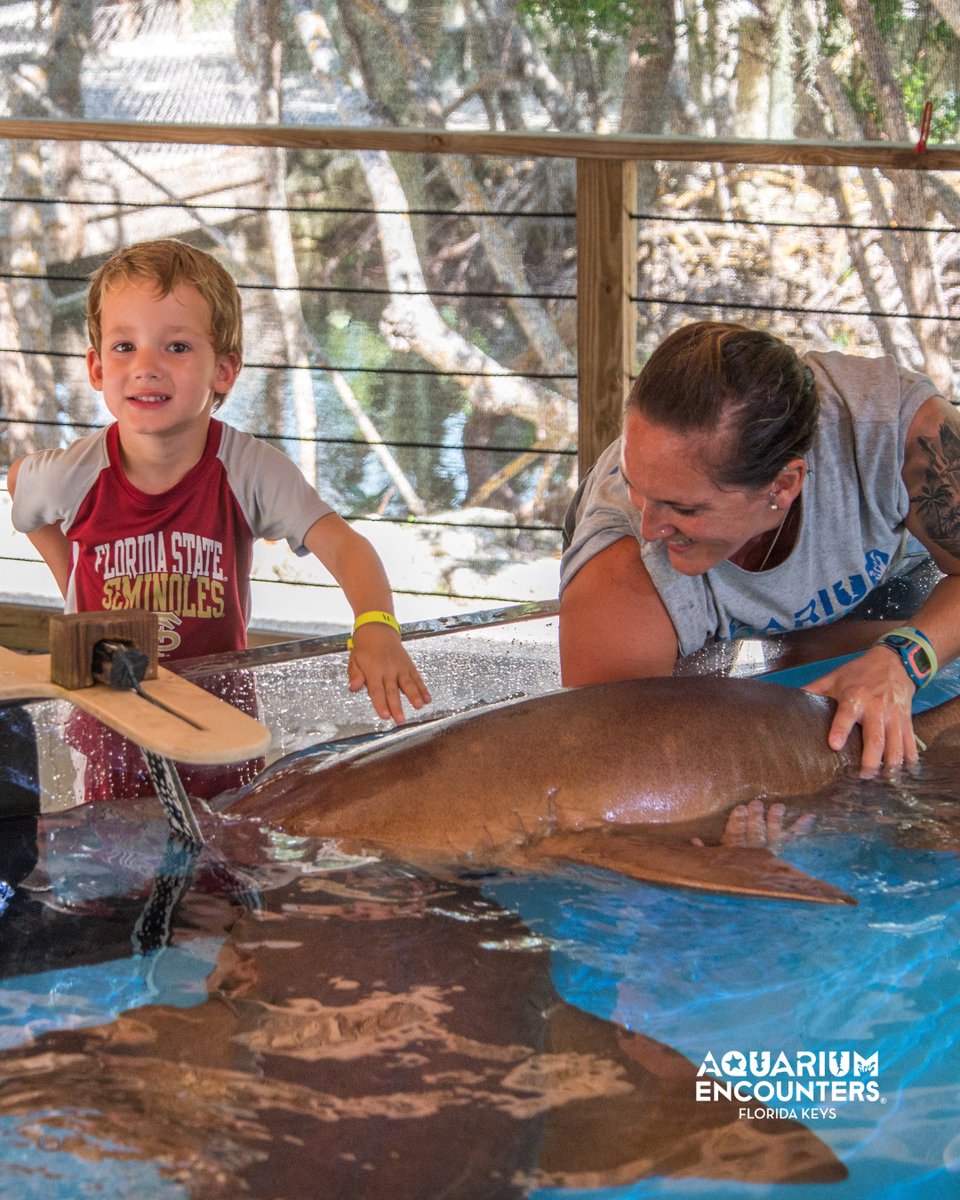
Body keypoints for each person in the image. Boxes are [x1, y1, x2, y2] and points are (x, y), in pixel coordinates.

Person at [8, 238, 431, 796]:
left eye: (177, 347)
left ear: (225, 370)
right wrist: (72, 588)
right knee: (114, 864)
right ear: (95, 366)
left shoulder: (249, 469)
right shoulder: (75, 472)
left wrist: (376, 626)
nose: (146, 368)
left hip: (218, 712)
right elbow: (21, 488)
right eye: (125, 346)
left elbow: (346, 545)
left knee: (224, 854)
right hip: (107, 707)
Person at [559, 320, 960, 771]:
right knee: (700, 721)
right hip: (672, 617)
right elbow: (612, 765)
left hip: (883, 582)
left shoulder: (899, 434)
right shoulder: (625, 562)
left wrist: (906, 658)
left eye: (685, 509)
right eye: (636, 485)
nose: (650, 525)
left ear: (784, 485)